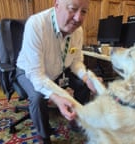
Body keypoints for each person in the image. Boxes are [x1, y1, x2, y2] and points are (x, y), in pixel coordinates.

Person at [16, 0, 98, 143]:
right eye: (73, 9)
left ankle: (75, 120)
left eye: (84, 12)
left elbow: (75, 61)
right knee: (37, 97)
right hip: (29, 71)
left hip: (58, 69)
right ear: (57, 5)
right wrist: (57, 97)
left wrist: (86, 78)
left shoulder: (77, 31)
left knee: (83, 85)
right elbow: (36, 75)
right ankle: (44, 136)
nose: (78, 18)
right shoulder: (36, 24)